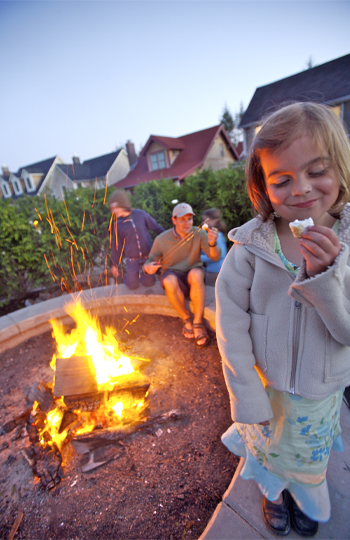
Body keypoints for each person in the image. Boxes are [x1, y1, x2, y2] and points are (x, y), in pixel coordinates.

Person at [216, 102, 350, 537]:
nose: (301, 189)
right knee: (267, 457)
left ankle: (306, 499)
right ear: (264, 185)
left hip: (316, 396)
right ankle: (274, 495)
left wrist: (327, 279)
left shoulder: (346, 247)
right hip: (265, 393)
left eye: (317, 171)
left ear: (341, 168)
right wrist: (245, 394)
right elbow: (231, 329)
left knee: (307, 462)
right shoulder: (249, 251)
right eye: (282, 179)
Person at [143, 202, 221, 348]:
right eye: (182, 219)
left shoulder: (199, 234)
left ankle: (197, 323)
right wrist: (148, 267)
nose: (187, 223)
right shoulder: (161, 239)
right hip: (173, 275)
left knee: (197, 273)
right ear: (174, 220)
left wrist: (212, 243)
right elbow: (149, 262)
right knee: (169, 280)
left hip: (193, 274)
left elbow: (215, 256)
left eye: (189, 219)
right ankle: (186, 319)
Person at [109, 189, 165, 290]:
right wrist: (114, 264)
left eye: (115, 208)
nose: (113, 211)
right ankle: (131, 277)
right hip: (132, 260)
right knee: (132, 285)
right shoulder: (118, 224)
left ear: (123, 204)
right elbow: (117, 246)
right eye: (112, 209)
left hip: (147, 258)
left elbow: (156, 227)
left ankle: (145, 276)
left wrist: (169, 237)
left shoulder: (141, 215)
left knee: (149, 283)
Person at [200, 208, 227, 286]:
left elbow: (220, 255)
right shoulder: (214, 234)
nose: (204, 223)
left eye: (207, 221)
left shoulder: (217, 236)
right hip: (213, 271)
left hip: (215, 272)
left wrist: (198, 258)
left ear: (215, 220)